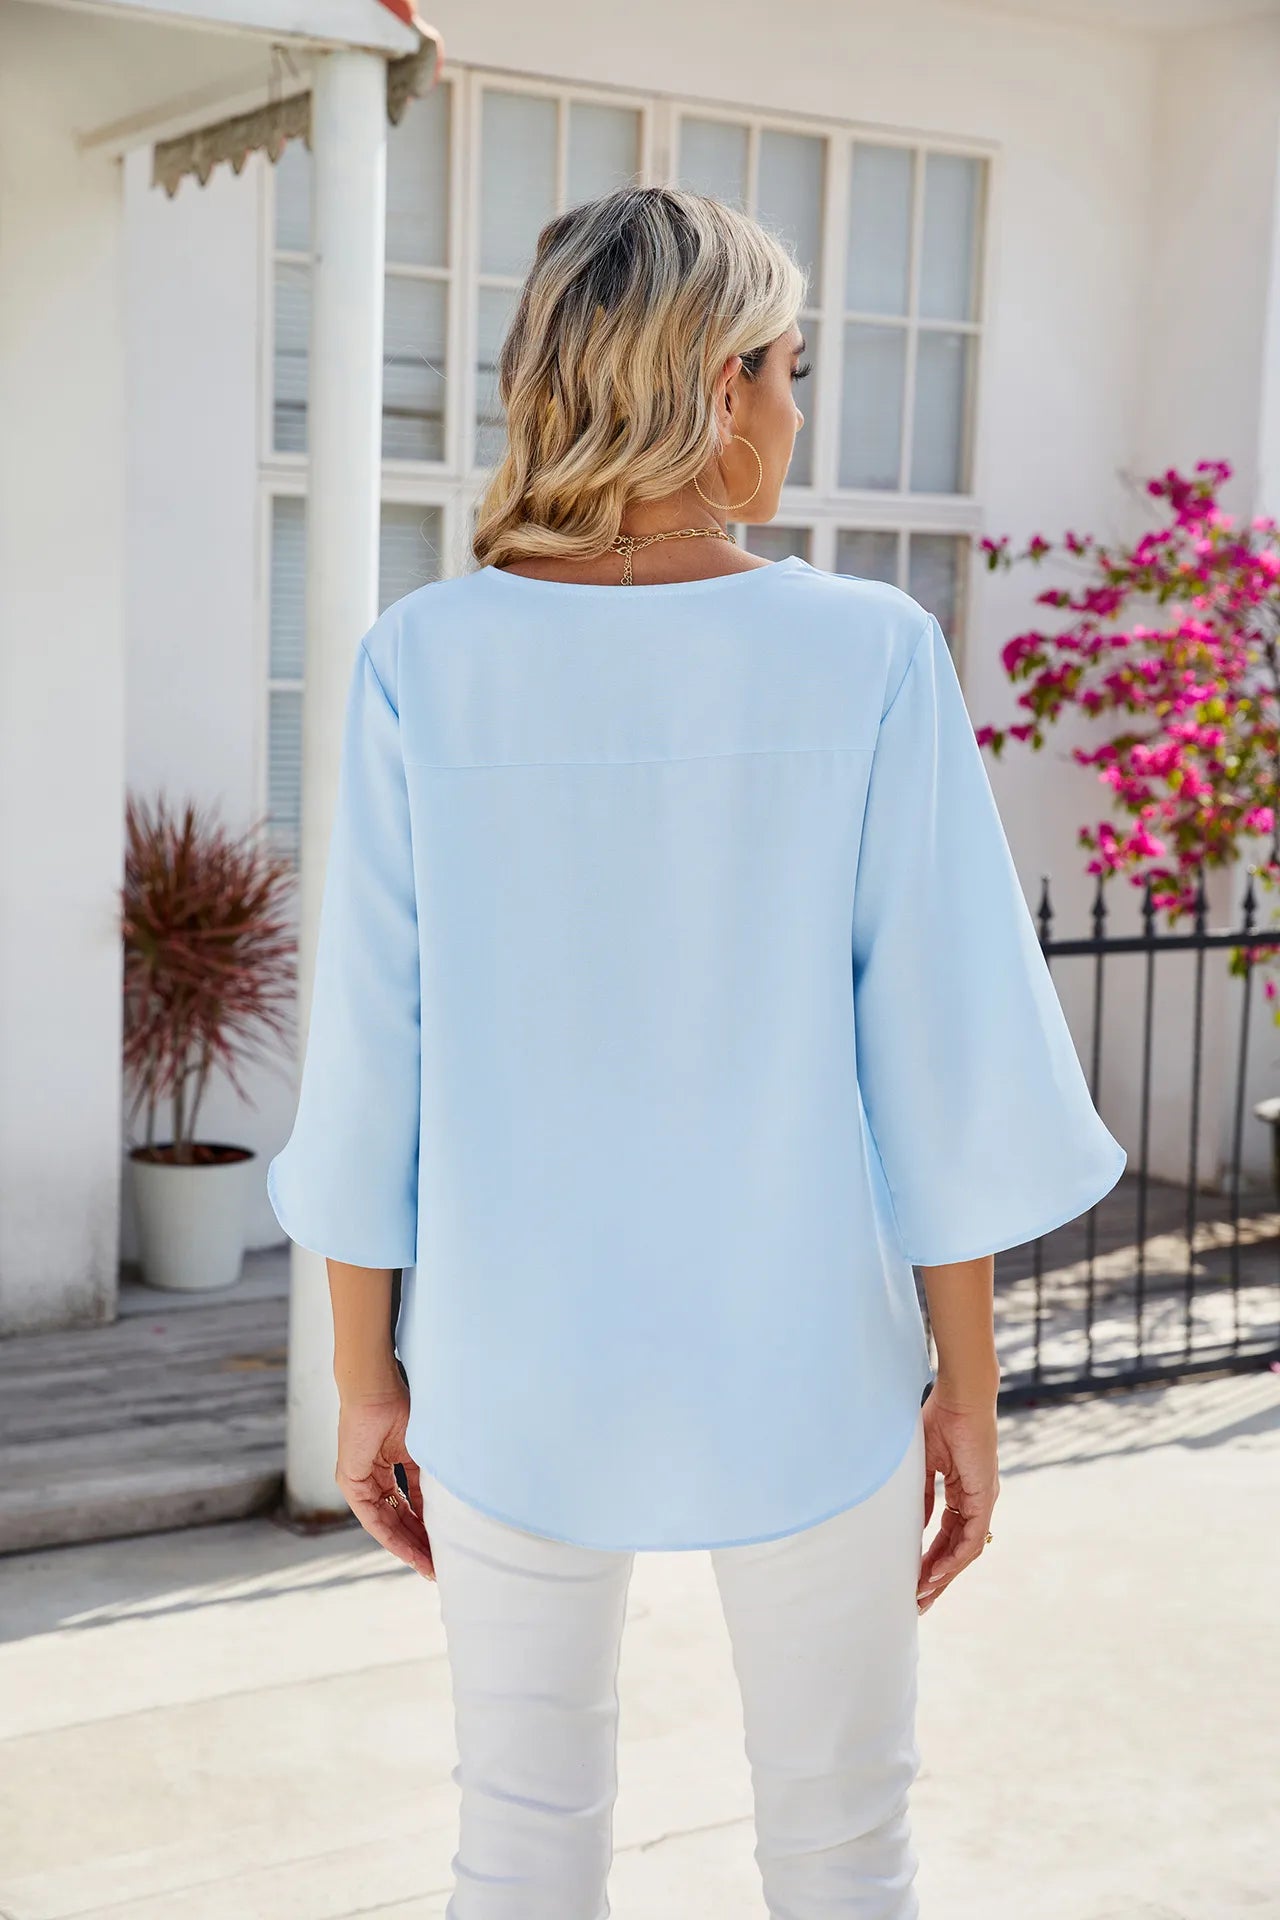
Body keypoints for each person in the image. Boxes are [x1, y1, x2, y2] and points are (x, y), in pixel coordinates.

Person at [267, 184, 1127, 1918]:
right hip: (811, 1367)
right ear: (724, 384)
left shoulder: (424, 659)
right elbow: (939, 1062)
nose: (798, 413)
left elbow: (372, 1059)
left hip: (510, 1368)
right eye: (792, 370)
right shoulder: (868, 653)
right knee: (845, 1852)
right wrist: (964, 1394)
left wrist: (367, 1380)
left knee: (517, 1844)